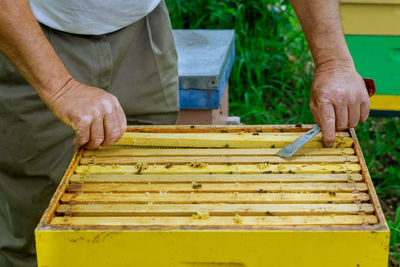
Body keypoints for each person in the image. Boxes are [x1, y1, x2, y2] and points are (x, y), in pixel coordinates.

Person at [0, 0, 370, 266]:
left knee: (149, 211)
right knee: (39, 235)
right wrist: (61, 88)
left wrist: (334, 61)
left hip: (141, 27)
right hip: (32, 31)